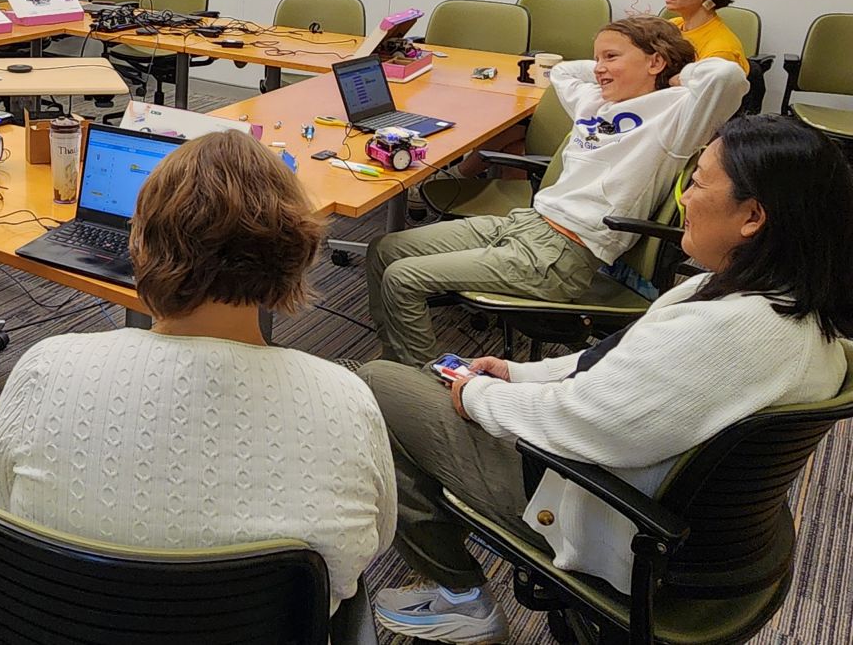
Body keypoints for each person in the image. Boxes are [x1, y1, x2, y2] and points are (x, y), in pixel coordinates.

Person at [359, 113, 853, 644]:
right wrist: (517, 373)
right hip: (669, 505)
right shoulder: (778, 303)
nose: (685, 197)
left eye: (700, 181)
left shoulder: (734, 331)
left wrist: (481, 396)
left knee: (378, 387)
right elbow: (617, 362)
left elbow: (587, 422)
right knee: (427, 392)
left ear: (752, 216)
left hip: (604, 505)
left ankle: (461, 599)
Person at [0, 131, 396, 615]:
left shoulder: (46, 366)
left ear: (139, 244)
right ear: (297, 255)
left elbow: (6, 503)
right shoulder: (346, 401)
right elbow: (373, 541)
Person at [367, 15, 748, 367]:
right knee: (384, 249)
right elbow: (563, 70)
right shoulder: (596, 102)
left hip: (563, 253)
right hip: (526, 223)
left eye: (612, 57)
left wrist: (680, 74)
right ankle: (393, 362)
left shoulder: (676, 115)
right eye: (598, 58)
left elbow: (728, 77)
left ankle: (419, 382)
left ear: (656, 62)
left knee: (404, 278)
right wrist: (610, 62)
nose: (599, 68)